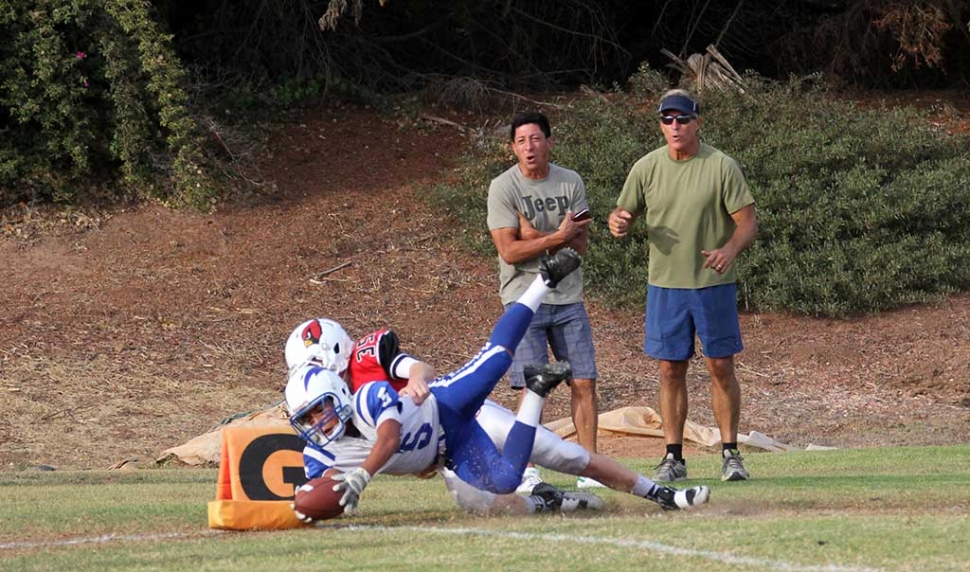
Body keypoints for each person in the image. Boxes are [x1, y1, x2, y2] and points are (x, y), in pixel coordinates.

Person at [284, 249, 710, 518]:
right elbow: (311, 491)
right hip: (442, 452)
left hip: (445, 406)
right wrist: (311, 507)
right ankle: (549, 484)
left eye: (320, 407)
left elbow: (411, 389)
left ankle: (543, 281)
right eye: (309, 416)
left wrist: (414, 384)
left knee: (551, 435)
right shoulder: (319, 439)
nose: (318, 420)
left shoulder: (367, 386)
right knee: (492, 499)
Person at [608, 89, 758, 483]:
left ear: (698, 122)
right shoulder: (646, 167)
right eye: (667, 119)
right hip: (665, 285)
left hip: (713, 283)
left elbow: (747, 221)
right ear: (660, 125)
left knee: (720, 365)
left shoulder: (721, 165)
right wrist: (619, 222)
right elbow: (623, 212)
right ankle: (673, 457)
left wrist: (729, 249)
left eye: (683, 119)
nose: (675, 126)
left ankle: (731, 454)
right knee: (670, 369)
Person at [486, 111, 603, 492]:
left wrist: (535, 234)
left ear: (549, 142)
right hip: (524, 300)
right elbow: (509, 251)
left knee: (583, 381)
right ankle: (527, 468)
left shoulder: (570, 181)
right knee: (530, 387)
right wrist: (556, 237)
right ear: (512, 148)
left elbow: (581, 243)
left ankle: (590, 468)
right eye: (521, 141)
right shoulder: (503, 187)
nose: (529, 147)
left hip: (568, 297)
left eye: (536, 139)